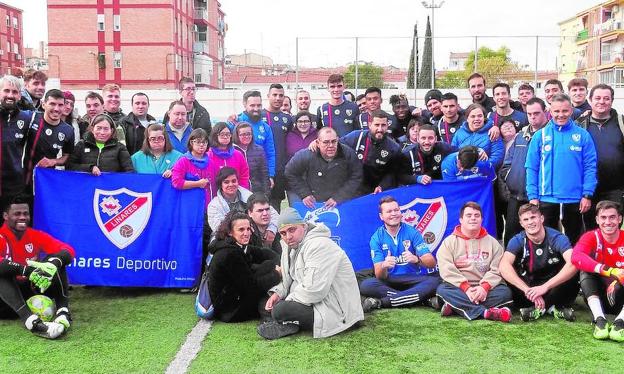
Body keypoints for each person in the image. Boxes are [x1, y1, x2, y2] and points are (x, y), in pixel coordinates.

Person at [257, 208, 364, 340]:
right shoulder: (290, 246)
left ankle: (286, 322)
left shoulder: (319, 245)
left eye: (292, 230)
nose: (288, 237)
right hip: (313, 301)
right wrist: (278, 294)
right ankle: (288, 322)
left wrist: (287, 301)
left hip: (337, 312)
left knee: (280, 310)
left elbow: (315, 290)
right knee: (265, 303)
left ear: (304, 226)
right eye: (283, 233)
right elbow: (288, 278)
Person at [526, 93, 597, 244]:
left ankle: (575, 268)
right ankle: (553, 269)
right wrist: (532, 196)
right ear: (550, 112)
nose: (560, 115)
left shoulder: (582, 135)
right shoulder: (540, 136)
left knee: (574, 242)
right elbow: (531, 168)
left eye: (564, 111)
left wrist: (587, 194)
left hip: (575, 200)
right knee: (548, 242)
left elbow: (590, 167)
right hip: (546, 199)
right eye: (556, 111)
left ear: (571, 110)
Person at [0, 195, 75, 339]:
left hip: (31, 291)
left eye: (25, 213)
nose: (22, 217)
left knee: (54, 261)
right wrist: (27, 270)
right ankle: (32, 323)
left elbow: (68, 250)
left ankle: (63, 312)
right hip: (5, 300)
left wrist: (53, 263)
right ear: (5, 216)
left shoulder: (35, 235)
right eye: (17, 214)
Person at [499, 203, 579, 322]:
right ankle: (552, 308)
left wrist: (545, 287)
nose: (530, 222)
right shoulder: (517, 240)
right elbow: (503, 266)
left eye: (533, 217)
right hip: (528, 291)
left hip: (554, 288)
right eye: (526, 219)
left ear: (541, 218)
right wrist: (526, 290)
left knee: (575, 270)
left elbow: (573, 263)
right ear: (521, 223)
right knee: (509, 274)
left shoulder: (557, 237)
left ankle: (538, 310)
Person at [436, 202, 513, 322]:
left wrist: (484, 288)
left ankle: (456, 306)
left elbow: (497, 269)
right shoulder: (449, 242)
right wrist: (466, 288)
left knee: (505, 293)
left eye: (477, 215)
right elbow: (446, 269)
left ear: (482, 219)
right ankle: (486, 313)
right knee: (442, 290)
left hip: (486, 289)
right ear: (461, 219)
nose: (473, 218)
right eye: (469, 215)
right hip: (459, 288)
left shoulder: (493, 243)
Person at [359, 196, 439, 311]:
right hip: (390, 281)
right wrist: (384, 266)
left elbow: (431, 263)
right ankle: (422, 299)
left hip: (413, 279)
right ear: (381, 216)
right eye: (389, 211)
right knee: (367, 285)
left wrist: (416, 259)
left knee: (435, 282)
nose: (394, 214)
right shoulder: (376, 238)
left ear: (400, 212)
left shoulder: (412, 232)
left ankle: (381, 302)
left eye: (396, 210)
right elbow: (379, 275)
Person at [207, 211, 280, 323]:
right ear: (230, 232)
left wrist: (281, 261)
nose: (246, 233)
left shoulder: (235, 244)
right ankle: (270, 316)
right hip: (231, 311)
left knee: (268, 265)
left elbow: (264, 253)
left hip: (235, 298)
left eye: (248, 229)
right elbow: (252, 288)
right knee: (271, 294)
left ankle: (270, 310)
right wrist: (277, 274)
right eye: (241, 229)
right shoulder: (230, 253)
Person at [572, 200, 624, 341]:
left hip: (620, 296)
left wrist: (618, 281)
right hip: (599, 296)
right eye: (603, 217)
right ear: (597, 220)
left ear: (619, 219)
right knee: (585, 270)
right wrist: (610, 271)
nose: (608, 222)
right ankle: (599, 320)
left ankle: (620, 323)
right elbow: (576, 257)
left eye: (612, 217)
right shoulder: (591, 236)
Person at [500, 98, 548, 246]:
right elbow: (507, 162)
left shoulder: (551, 135)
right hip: (517, 195)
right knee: (511, 237)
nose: (533, 117)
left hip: (542, 197)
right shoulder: (520, 135)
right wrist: (510, 177)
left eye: (536, 113)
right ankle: (510, 267)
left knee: (541, 236)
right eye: (529, 114)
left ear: (545, 112)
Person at [576, 84, 624, 229]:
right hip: (587, 191)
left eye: (606, 98)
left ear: (612, 101)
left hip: (615, 189)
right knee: (590, 230)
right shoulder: (579, 125)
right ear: (590, 100)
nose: (602, 101)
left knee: (611, 230)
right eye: (597, 98)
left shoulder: (621, 123)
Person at [285, 127, 362, 208]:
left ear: (337, 139)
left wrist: (339, 197)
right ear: (317, 142)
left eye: (334, 141)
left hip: (341, 202)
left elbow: (356, 176)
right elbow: (290, 172)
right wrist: (304, 193)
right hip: (314, 203)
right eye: (326, 142)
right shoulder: (306, 155)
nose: (331, 145)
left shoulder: (348, 154)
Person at [23, 89, 75, 191]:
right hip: (22, 177)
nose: (56, 109)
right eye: (52, 104)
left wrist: (53, 161)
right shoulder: (30, 118)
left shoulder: (68, 130)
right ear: (43, 104)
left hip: (45, 181)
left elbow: (67, 155)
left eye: (60, 105)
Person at [340, 110, 402, 194]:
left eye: (383, 125)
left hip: (374, 192)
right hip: (352, 188)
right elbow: (336, 147)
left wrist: (382, 186)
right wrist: (317, 143)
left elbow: (391, 174)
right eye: (376, 125)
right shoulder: (355, 137)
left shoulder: (394, 148)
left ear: (387, 126)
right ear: (369, 125)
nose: (380, 129)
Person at [207, 167, 278, 235]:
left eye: (234, 181)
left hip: (253, 236)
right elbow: (219, 229)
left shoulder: (249, 196)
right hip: (227, 240)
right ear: (220, 184)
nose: (231, 184)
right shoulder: (214, 205)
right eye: (226, 182)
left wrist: (271, 230)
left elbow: (274, 214)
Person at [230, 90, 276, 190]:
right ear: (244, 104)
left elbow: (270, 153)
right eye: (252, 105)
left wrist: (270, 176)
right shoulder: (233, 122)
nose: (256, 109)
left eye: (259, 105)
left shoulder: (266, 128)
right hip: (236, 179)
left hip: (258, 179)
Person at [0, 75, 32, 217]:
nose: (10, 95)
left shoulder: (27, 118)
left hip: (14, 185)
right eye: (6, 91)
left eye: (14, 92)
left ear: (20, 95)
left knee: (10, 229)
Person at [67, 114, 134, 175]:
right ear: (92, 129)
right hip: (86, 185)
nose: (102, 132)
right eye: (99, 128)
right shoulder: (81, 145)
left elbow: (129, 171)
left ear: (112, 130)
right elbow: (70, 166)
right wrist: (90, 168)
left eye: (106, 129)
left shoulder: (120, 148)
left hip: (110, 187)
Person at [264, 83, 293, 210]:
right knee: (260, 204)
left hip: (280, 170)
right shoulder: (258, 115)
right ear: (268, 96)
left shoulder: (288, 119)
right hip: (262, 170)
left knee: (276, 206)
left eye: (281, 95)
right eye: (274, 95)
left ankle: (275, 230)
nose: (277, 98)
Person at [451, 103, 504, 170]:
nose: (476, 119)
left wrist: (479, 167)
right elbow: (453, 154)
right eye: (473, 116)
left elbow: (497, 157)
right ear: (467, 119)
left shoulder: (492, 132)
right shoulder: (459, 133)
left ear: (484, 118)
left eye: (479, 116)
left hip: (484, 176)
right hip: (462, 174)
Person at [171, 128, 213, 207]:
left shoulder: (210, 162)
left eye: (204, 142)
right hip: (188, 203)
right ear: (191, 143)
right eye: (198, 142)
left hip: (206, 203)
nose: (201, 145)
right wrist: (197, 184)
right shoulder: (183, 161)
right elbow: (176, 182)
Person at [207, 122, 250, 197]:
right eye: (222, 134)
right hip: (215, 197)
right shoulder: (208, 156)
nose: (225, 137)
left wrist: (241, 193)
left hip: (236, 196)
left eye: (228, 134)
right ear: (215, 136)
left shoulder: (238, 155)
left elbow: (244, 176)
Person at [232, 122, 270, 194]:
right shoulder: (232, 151)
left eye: (249, 134)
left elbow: (264, 174)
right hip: (238, 191)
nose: (246, 136)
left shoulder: (259, 150)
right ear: (237, 135)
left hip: (256, 191)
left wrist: (266, 194)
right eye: (243, 134)